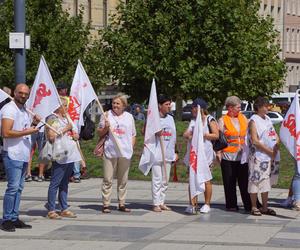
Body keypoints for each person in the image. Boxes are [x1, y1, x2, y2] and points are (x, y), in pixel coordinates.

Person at [1, 83, 40, 232]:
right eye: (20, 93)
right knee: (12, 188)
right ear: (15, 93)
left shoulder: (23, 110)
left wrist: (34, 124)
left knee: (19, 188)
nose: (23, 95)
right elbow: (5, 132)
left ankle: (14, 217)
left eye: (26, 93)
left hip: (22, 154)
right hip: (12, 153)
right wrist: (27, 132)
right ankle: (7, 220)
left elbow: (24, 128)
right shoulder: (9, 109)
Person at [97, 93, 136, 213]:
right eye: (114, 103)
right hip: (110, 151)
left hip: (125, 152)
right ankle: (106, 204)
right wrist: (106, 128)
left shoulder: (129, 117)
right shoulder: (106, 115)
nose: (115, 105)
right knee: (108, 178)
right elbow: (99, 133)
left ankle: (122, 203)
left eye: (118, 103)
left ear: (124, 105)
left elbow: (133, 134)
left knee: (123, 179)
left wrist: (131, 147)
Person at [46, 96, 82, 219]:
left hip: (70, 153)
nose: (67, 108)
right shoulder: (52, 118)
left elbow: (73, 131)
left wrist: (75, 134)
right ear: (58, 106)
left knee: (65, 182)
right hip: (59, 153)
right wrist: (65, 129)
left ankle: (64, 208)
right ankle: (51, 209)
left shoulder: (67, 118)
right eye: (65, 106)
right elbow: (51, 136)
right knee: (55, 182)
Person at [183, 98, 219, 214]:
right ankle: (192, 203)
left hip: (206, 155)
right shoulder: (193, 121)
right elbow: (185, 134)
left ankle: (207, 203)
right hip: (194, 156)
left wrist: (203, 135)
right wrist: (189, 135)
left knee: (206, 179)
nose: (192, 110)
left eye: (194, 108)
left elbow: (216, 135)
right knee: (192, 179)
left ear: (200, 108)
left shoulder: (210, 119)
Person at [218, 96, 252, 212]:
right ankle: (231, 204)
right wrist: (218, 153)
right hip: (228, 156)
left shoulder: (244, 118)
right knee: (229, 182)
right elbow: (219, 139)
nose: (240, 109)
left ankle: (249, 204)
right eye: (238, 107)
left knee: (244, 182)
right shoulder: (223, 120)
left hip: (242, 156)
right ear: (230, 108)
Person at [248, 97, 279, 216]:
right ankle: (254, 206)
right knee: (255, 181)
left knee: (266, 181)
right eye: (265, 106)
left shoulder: (267, 119)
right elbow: (255, 141)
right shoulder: (253, 121)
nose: (268, 108)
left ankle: (265, 207)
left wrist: (276, 144)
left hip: (268, 156)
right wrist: (269, 151)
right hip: (258, 156)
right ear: (259, 107)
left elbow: (273, 134)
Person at [149, 94, 177, 212]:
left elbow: (174, 136)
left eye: (169, 104)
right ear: (159, 105)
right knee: (157, 179)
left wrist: (176, 151)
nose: (169, 106)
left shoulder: (170, 118)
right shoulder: (153, 118)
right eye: (166, 104)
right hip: (157, 153)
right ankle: (156, 203)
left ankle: (162, 201)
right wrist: (154, 132)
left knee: (165, 180)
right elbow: (145, 132)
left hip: (168, 153)